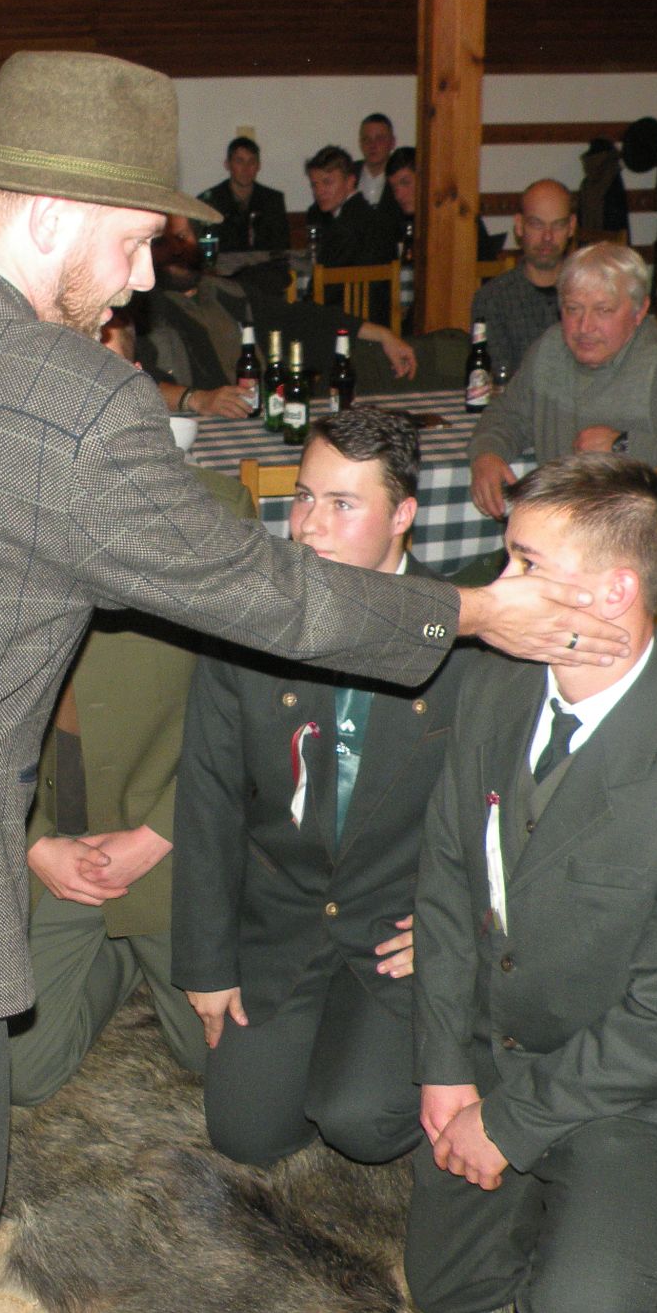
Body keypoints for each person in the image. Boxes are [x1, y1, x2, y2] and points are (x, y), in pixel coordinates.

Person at [0, 48, 631, 1313]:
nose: (140, 280)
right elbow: (256, 589)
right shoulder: (62, 397)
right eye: (133, 243)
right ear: (52, 210)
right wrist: (465, 613)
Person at [405, 454, 657, 1313]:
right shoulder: (494, 686)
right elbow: (448, 879)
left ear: (614, 592)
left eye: (526, 565)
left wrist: (509, 1124)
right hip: (500, 1042)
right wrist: (446, 1064)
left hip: (631, 1087)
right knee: (449, 1288)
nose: (499, 587)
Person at [172, 410, 477, 1167]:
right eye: (304, 497)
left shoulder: (467, 644)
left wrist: (458, 927)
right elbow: (208, 798)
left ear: (403, 516)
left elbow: (503, 813)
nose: (309, 526)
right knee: (246, 1134)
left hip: (397, 930)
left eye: (343, 504)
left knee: (360, 1122)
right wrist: (208, 964)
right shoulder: (247, 626)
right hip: (284, 918)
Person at [9, 459, 255, 1105]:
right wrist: (34, 843)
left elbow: (247, 707)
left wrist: (157, 836)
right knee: (21, 1072)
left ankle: (129, 935)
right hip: (54, 826)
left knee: (213, 1059)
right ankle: (118, 949)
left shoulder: (213, 508)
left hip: (170, 831)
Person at [467, 243, 657, 522]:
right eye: (573, 309)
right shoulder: (550, 349)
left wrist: (623, 445)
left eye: (603, 310)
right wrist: (487, 453)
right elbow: (508, 414)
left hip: (655, 546)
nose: (585, 327)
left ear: (639, 311)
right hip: (570, 533)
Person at [135, 216, 467, 417]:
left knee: (405, 359)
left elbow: (301, 319)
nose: (178, 249)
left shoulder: (229, 293)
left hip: (270, 413)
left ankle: (459, 360)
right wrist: (198, 400)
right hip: (205, 430)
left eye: (184, 237)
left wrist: (381, 333)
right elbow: (132, 381)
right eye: (167, 241)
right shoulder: (142, 310)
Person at [469, 178, 578, 378]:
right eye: (536, 224)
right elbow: (500, 378)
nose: (547, 236)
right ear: (519, 226)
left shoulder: (590, 294)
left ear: (571, 227)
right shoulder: (493, 299)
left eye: (558, 225)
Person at [306, 143, 400, 268]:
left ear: (350, 181)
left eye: (327, 182)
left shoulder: (345, 227)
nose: (319, 191)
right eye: (314, 185)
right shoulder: (371, 217)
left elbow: (326, 276)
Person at [197, 135, 290, 255]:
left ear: (259, 166)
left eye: (251, 162)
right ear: (227, 164)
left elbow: (281, 247)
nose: (246, 168)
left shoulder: (273, 201)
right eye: (239, 161)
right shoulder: (209, 201)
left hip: (264, 265)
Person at [356, 111, 399, 217]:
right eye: (366, 139)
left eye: (379, 139)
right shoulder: (347, 175)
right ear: (360, 143)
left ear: (392, 142)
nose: (372, 145)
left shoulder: (403, 178)